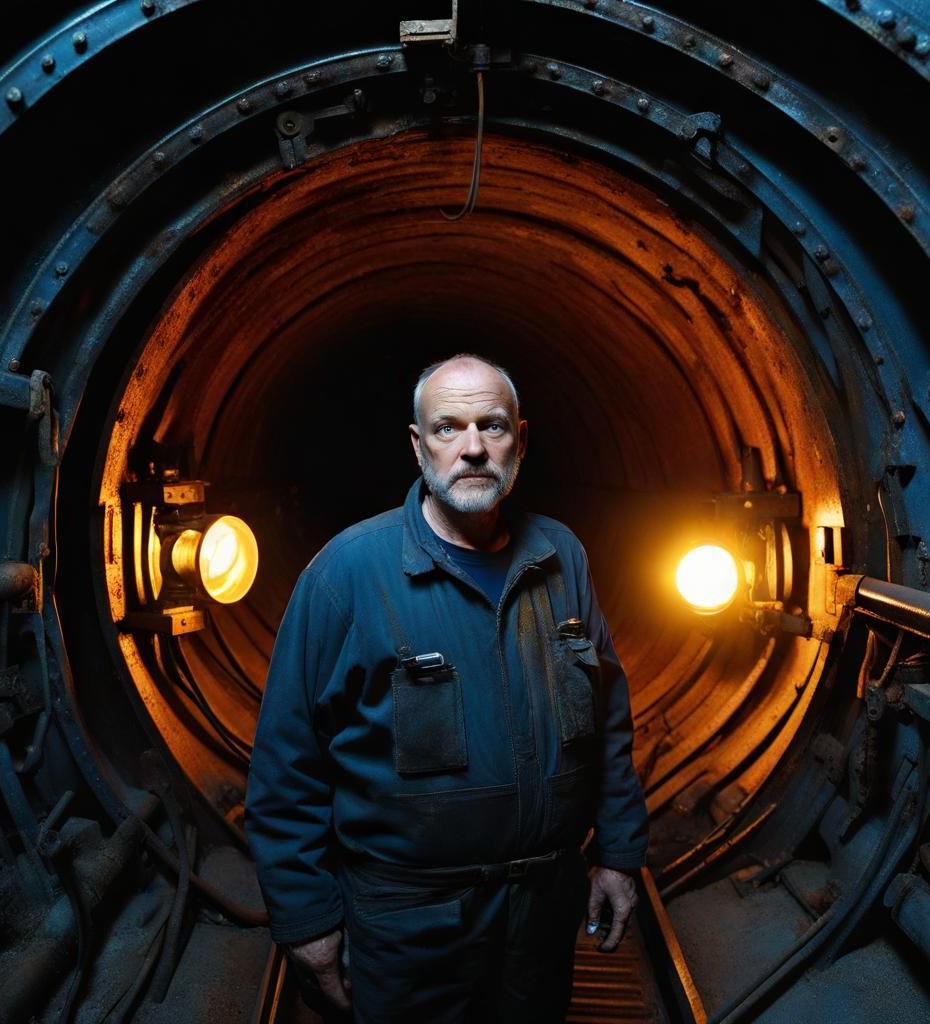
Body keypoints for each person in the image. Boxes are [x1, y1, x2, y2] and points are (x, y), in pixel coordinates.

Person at [245, 354, 649, 1023]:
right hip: (408, 923)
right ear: (416, 444)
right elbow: (288, 765)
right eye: (448, 428)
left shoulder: (560, 557)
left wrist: (619, 853)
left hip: (542, 911)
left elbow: (607, 722)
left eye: (491, 427)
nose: (472, 449)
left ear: (521, 438)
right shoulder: (348, 573)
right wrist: (306, 921)